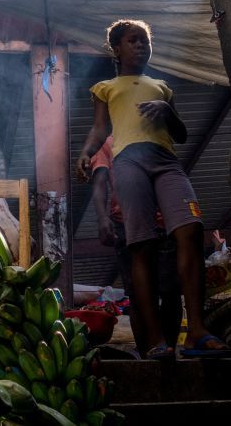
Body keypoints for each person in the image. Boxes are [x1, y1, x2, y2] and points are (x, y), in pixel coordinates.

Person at [77, 19, 231, 359]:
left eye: (146, 41)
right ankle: (152, 342)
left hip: (166, 162)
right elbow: (100, 129)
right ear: (116, 48)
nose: (142, 46)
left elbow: (180, 135)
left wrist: (167, 111)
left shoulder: (162, 86)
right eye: (133, 40)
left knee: (191, 230)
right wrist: (87, 153)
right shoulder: (105, 87)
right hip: (129, 162)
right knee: (141, 246)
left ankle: (197, 332)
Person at [89, 134, 181, 355]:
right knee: (138, 295)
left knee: (171, 291)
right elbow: (99, 181)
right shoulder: (107, 143)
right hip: (127, 223)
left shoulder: (157, 135)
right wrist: (102, 218)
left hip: (164, 222)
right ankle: (147, 354)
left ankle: (169, 349)